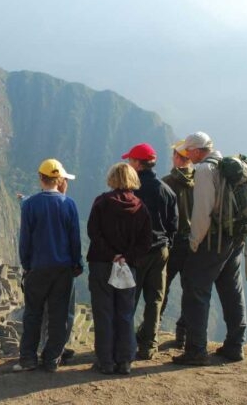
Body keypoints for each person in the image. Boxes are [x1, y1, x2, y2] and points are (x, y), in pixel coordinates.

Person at [172, 132, 247, 366]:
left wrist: (195, 243)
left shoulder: (204, 171)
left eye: (188, 151)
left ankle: (196, 350)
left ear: (196, 150)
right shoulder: (227, 165)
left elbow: (202, 211)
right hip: (235, 238)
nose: (186, 155)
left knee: (196, 289)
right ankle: (235, 345)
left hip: (213, 241)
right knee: (231, 290)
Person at [14, 158, 83, 372]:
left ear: (40, 178)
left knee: (33, 314)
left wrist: (26, 265)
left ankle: (28, 359)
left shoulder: (30, 205)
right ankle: (52, 358)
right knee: (59, 315)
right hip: (63, 269)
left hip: (37, 268)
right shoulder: (68, 204)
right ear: (59, 179)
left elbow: (25, 239)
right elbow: (75, 238)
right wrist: (77, 263)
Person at [87, 162, 152, 375]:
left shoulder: (101, 203)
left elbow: (93, 233)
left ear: (112, 178)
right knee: (125, 312)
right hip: (127, 266)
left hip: (102, 265)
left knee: (103, 312)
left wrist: (110, 255)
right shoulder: (141, 207)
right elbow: (145, 242)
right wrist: (126, 257)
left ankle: (105, 361)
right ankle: (124, 361)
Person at [121, 143, 178, 360]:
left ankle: (124, 345)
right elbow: (174, 225)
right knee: (155, 299)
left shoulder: (131, 191)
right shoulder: (167, 190)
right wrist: (165, 244)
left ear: (137, 163)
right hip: (160, 251)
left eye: (130, 160)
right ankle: (149, 346)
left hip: (137, 253)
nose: (128, 164)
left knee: (129, 298)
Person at [160, 140, 194, 348]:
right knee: (190, 289)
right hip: (194, 243)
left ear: (177, 158)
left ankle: (151, 331)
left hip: (172, 243)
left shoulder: (166, 183)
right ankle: (183, 336)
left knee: (162, 288)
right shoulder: (201, 181)